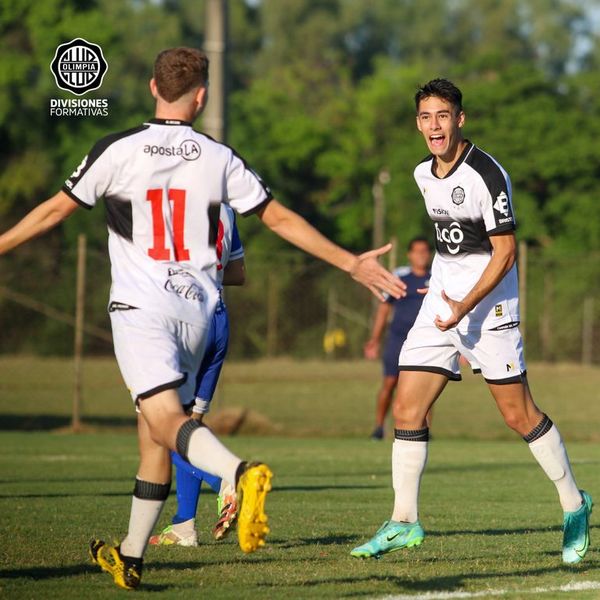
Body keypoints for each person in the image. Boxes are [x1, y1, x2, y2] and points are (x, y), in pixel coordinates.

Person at [0, 47, 404, 590]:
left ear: (151, 88)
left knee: (166, 422)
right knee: (155, 439)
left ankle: (238, 473)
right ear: (202, 96)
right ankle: (131, 556)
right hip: (199, 312)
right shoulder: (218, 157)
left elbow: (54, 211)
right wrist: (350, 262)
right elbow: (278, 217)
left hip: (143, 310)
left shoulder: (116, 149)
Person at [351, 78, 592, 564]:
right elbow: (453, 243)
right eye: (425, 117)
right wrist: (442, 289)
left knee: (517, 415)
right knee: (406, 410)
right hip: (440, 304)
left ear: (460, 119)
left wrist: (466, 306)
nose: (433, 126)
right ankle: (403, 521)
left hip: (490, 311)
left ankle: (575, 504)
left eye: (442, 115)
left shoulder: (486, 173)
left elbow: (504, 253)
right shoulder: (422, 174)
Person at [149, 203, 245, 548]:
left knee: (160, 426)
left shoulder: (173, 202)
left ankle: (227, 479)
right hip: (218, 317)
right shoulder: (228, 210)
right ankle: (184, 526)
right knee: (189, 425)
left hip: (184, 318)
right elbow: (238, 272)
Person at [364, 237, 431, 440]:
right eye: (416, 251)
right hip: (398, 339)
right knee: (390, 382)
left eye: (425, 251)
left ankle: (423, 430)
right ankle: (378, 427)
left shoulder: (436, 278)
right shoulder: (401, 279)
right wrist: (374, 339)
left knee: (426, 386)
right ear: (409, 255)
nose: (421, 255)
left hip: (425, 341)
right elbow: (385, 309)